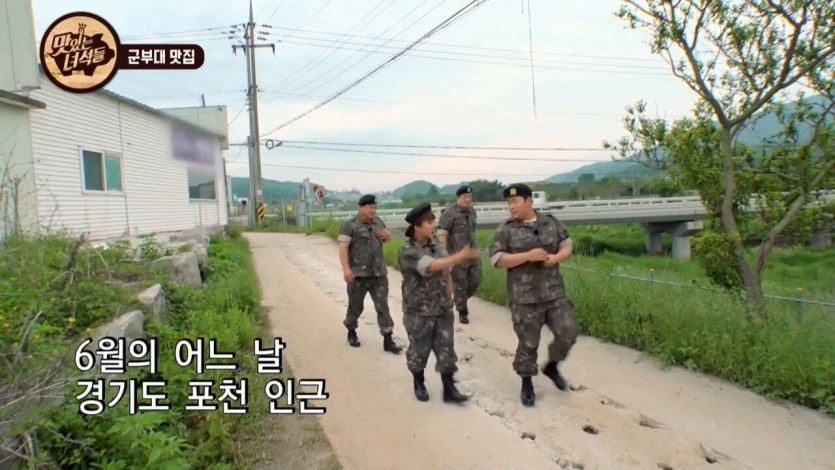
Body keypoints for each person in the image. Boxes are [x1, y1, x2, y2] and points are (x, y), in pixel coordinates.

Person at [488, 183, 579, 407]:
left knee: (569, 331)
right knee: (528, 343)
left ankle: (552, 365)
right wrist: (527, 256)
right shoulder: (506, 229)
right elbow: (497, 260)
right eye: (508, 203)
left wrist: (557, 257)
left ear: (529, 201)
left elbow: (567, 244)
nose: (511, 207)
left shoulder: (550, 221)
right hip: (524, 297)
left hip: (553, 293)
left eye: (515, 201)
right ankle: (527, 381)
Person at [398, 202, 479, 403]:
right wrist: (459, 256)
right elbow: (431, 266)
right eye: (428, 222)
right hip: (420, 311)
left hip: (442, 307)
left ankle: (449, 389)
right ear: (416, 226)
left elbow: (445, 270)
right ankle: (418, 382)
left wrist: (449, 292)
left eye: (433, 221)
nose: (433, 225)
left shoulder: (437, 245)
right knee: (419, 350)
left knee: (446, 350)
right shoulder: (408, 251)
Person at [337, 194, 402, 354]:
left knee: (383, 307)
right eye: (370, 207)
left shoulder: (379, 222)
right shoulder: (350, 225)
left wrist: (388, 236)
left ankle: (388, 339)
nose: (373, 210)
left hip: (378, 273)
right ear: (361, 207)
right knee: (355, 306)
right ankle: (351, 331)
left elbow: (385, 239)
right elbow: (343, 247)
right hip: (358, 275)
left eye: (375, 207)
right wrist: (346, 269)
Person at [437, 185, 482, 324]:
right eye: (465, 197)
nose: (468, 199)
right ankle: (462, 311)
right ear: (458, 198)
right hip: (457, 256)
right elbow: (442, 234)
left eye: (470, 197)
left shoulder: (472, 211)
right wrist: (445, 255)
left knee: (476, 280)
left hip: (472, 254)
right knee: (460, 284)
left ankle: (459, 299)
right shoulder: (449, 213)